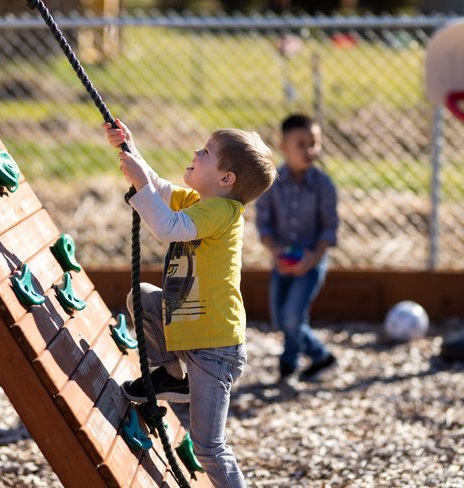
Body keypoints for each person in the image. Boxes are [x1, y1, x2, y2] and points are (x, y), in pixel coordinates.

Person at [105, 118, 276, 488]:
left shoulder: (222, 213)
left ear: (226, 179)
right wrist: (131, 153)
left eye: (206, 152)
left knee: (208, 445)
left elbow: (167, 226)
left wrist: (139, 182)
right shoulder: (201, 201)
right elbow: (159, 190)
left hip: (216, 348)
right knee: (143, 298)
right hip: (190, 333)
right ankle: (170, 375)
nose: (196, 153)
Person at [255, 113, 339, 382]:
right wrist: (276, 251)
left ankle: (321, 356)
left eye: (314, 143)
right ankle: (289, 363)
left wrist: (313, 257)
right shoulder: (271, 182)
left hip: (312, 262)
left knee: (292, 317)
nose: (310, 150)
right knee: (281, 319)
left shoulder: (323, 185)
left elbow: (329, 228)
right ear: (283, 146)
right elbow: (264, 225)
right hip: (281, 260)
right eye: (301, 144)